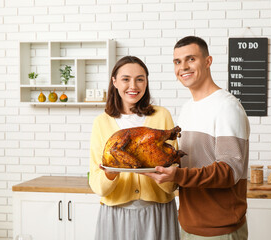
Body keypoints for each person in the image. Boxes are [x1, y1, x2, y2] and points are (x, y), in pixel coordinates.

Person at [143, 36, 250, 240]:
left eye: (191, 59)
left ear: (208, 61)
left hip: (220, 230)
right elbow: (190, 164)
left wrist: (177, 176)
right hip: (188, 225)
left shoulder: (227, 106)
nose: (183, 67)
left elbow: (229, 171)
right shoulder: (187, 108)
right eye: (177, 61)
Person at [89, 56, 180, 240]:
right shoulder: (101, 122)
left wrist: (165, 176)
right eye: (125, 79)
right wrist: (110, 174)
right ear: (114, 81)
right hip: (116, 214)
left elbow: (174, 177)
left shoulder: (162, 116)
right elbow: (97, 184)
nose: (133, 86)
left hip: (158, 212)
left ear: (146, 82)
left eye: (140, 79)